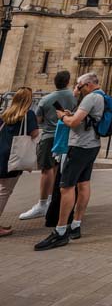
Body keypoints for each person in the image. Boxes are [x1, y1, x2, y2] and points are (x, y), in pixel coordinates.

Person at [34, 72, 105, 250]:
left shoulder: (90, 98)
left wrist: (63, 117)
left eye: (79, 87)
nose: (76, 90)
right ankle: (76, 225)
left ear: (88, 85)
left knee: (66, 187)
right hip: (92, 145)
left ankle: (60, 231)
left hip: (80, 146)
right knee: (84, 184)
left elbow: (73, 123)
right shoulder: (104, 96)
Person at [19, 70, 77, 220]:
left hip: (49, 136)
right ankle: (53, 201)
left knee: (46, 170)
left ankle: (43, 204)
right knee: (58, 169)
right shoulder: (74, 97)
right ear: (68, 81)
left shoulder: (45, 99)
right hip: (67, 136)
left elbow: (37, 120)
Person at [0, 87, 40, 236]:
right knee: (5, 191)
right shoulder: (28, 114)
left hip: (1, 152)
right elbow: (34, 134)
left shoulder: (6, 113)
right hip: (14, 155)